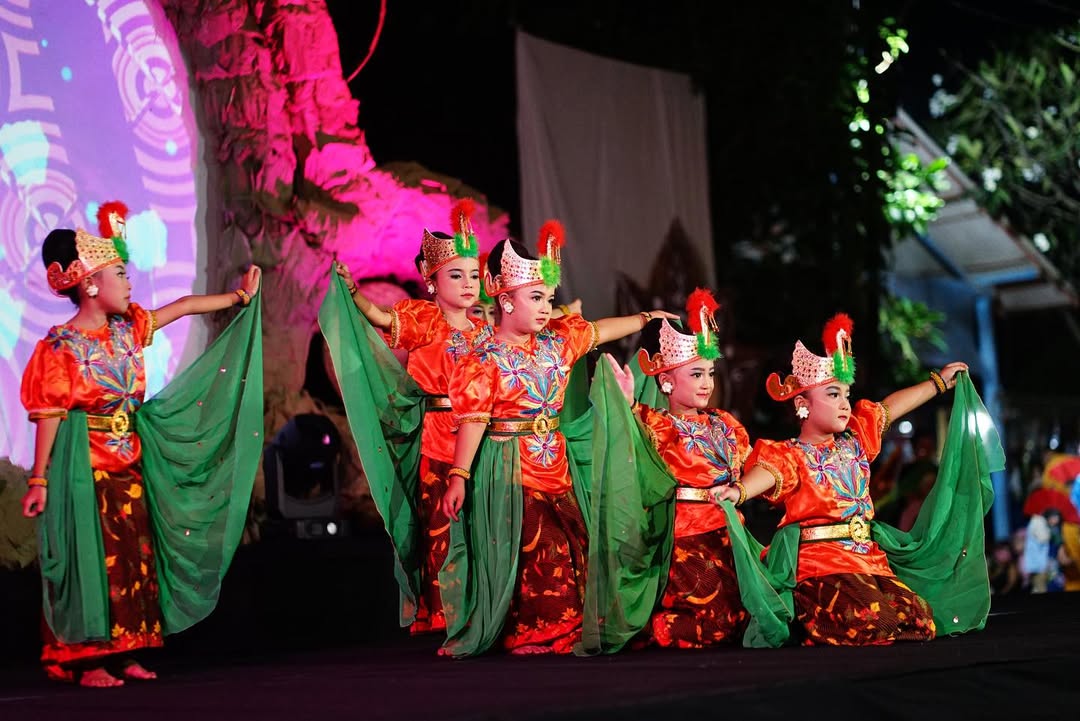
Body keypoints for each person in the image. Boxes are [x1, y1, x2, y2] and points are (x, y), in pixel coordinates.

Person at [21, 201, 263, 686]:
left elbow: (185, 305)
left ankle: (128, 647)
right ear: (90, 283)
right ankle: (89, 660)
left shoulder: (128, 328)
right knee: (93, 561)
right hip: (82, 466)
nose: (128, 283)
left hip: (128, 460)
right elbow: (49, 417)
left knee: (131, 556)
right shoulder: (59, 347)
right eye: (119, 274)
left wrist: (240, 297)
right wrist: (39, 479)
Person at [437, 222, 676, 657]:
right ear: (505, 301)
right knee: (538, 547)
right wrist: (459, 475)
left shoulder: (557, 342)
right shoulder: (484, 358)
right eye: (536, 298)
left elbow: (598, 330)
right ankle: (537, 630)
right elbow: (473, 420)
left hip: (555, 465)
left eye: (549, 299)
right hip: (509, 468)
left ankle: (567, 623)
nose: (546, 308)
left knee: (575, 543)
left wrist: (645, 319)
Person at [713, 314, 994, 646]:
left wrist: (938, 383)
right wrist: (739, 492)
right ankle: (809, 614)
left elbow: (889, 409)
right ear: (802, 404)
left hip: (866, 559)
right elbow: (768, 474)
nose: (844, 404)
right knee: (871, 621)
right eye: (833, 394)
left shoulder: (855, 442)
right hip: (821, 564)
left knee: (917, 619)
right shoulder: (790, 454)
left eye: (846, 395)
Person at [601, 289, 750, 649]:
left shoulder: (724, 423)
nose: (707, 382)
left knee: (747, 617)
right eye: (696, 374)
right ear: (666, 380)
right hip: (685, 539)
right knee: (716, 623)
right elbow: (630, 448)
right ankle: (651, 626)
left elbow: (750, 467)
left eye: (710, 373)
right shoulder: (657, 423)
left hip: (729, 536)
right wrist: (627, 403)